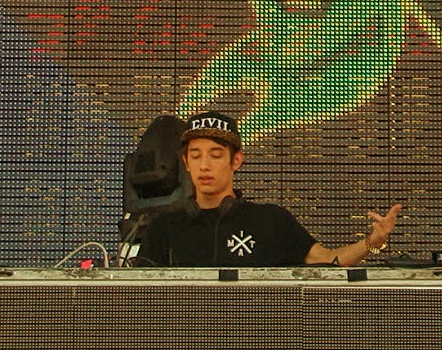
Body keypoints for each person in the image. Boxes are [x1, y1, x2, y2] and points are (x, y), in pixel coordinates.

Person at [137, 110, 402, 267]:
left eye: (216, 155)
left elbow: (329, 260)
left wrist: (373, 243)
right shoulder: (164, 226)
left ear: (236, 161)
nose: (204, 165)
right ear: (186, 163)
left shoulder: (270, 221)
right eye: (196, 156)